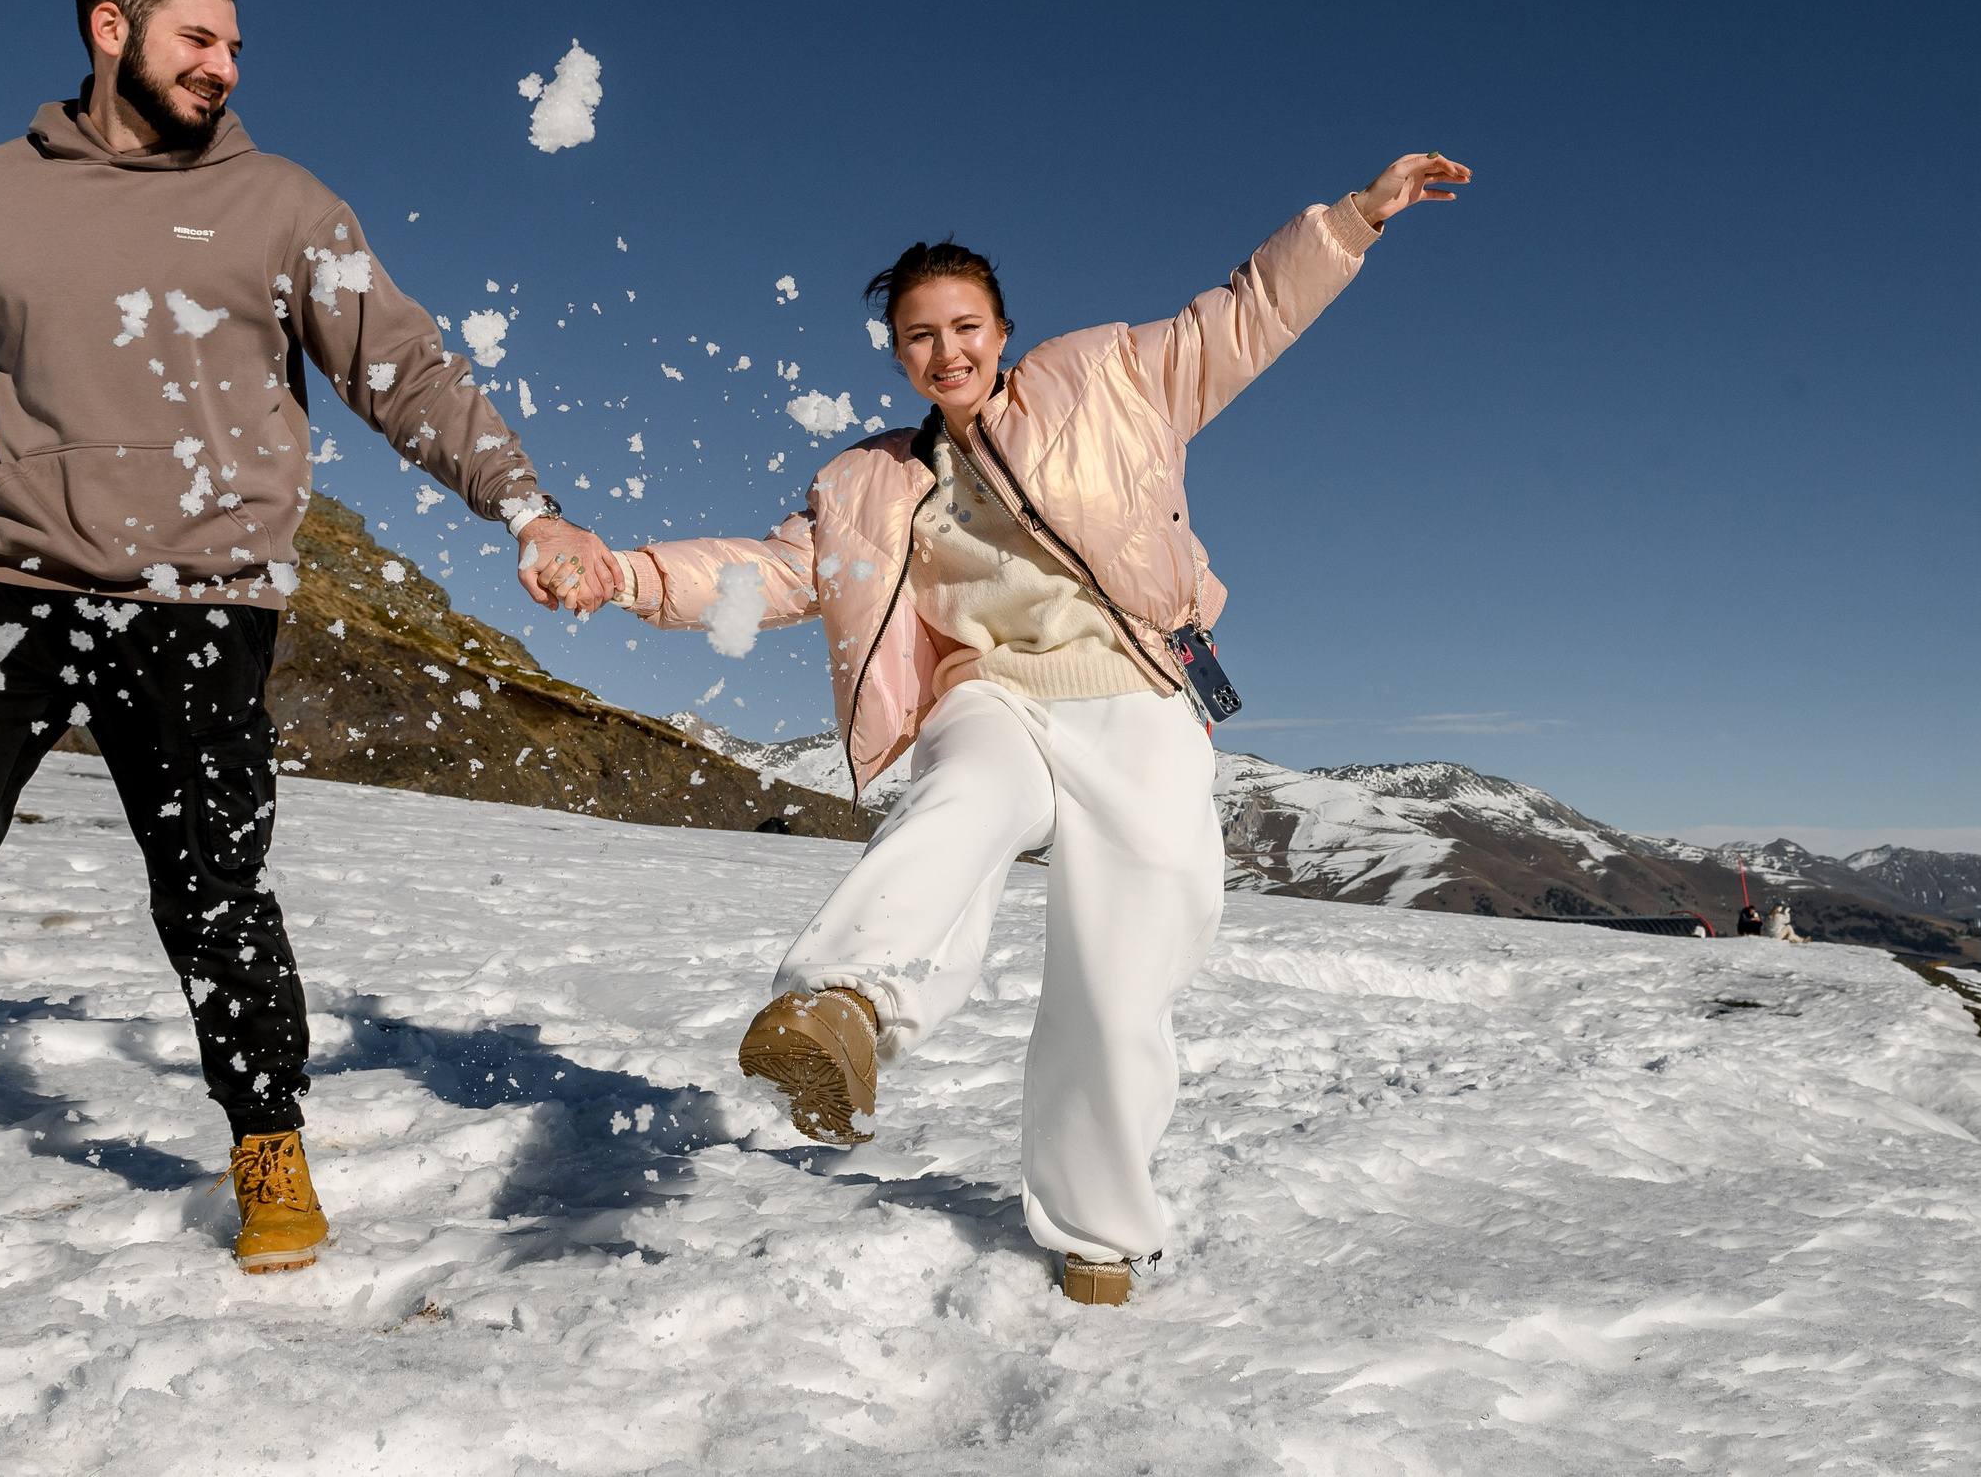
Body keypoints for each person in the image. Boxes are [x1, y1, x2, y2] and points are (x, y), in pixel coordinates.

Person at [0, 0, 610, 1349]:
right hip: (0, 590)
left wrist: (526, 508)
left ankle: (268, 1140)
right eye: (200, 41)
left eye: (235, 46)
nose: (226, 68)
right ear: (110, 29)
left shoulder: (282, 203)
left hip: (198, 599)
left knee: (214, 887)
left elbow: (401, 368)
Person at [601, 152, 1469, 1305]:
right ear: (897, 354)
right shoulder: (867, 480)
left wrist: (1355, 218)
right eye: (919, 335)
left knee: (1121, 981)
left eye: (965, 325)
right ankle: (843, 1006)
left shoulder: (1114, 376)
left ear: (1003, 329)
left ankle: (1097, 1230)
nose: (946, 351)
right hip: (989, 692)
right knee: (959, 804)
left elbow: (1246, 314)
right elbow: (768, 569)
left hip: (1136, 695)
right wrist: (617, 570)